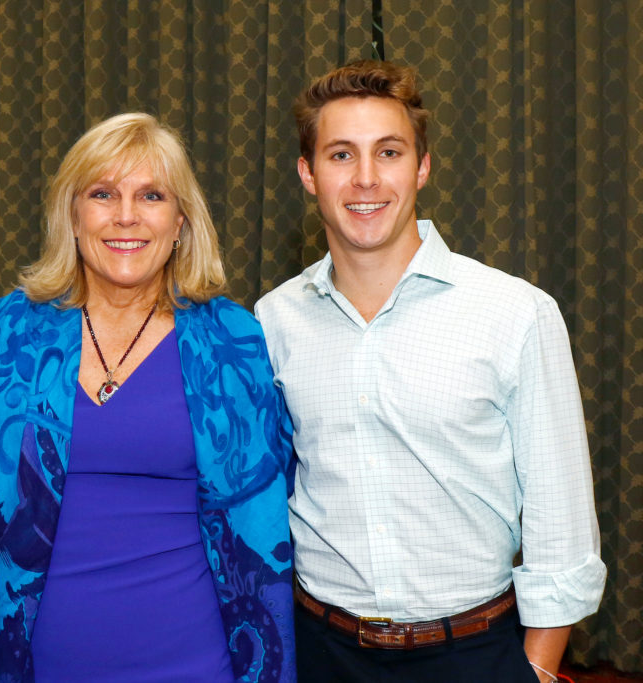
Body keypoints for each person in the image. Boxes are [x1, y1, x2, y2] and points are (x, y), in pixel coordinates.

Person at [255, 60, 606, 683]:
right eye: (340, 155)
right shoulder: (274, 320)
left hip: (477, 654)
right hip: (321, 654)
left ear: (422, 165)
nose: (366, 179)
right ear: (308, 174)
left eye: (388, 152)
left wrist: (536, 672)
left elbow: (562, 524)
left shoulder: (515, 313)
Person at [0, 113, 295, 682]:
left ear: (180, 222)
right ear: (72, 216)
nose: (126, 216)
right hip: (38, 663)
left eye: (151, 195)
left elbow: (264, 526)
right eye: (103, 194)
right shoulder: (5, 333)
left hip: (196, 663)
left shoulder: (232, 341)